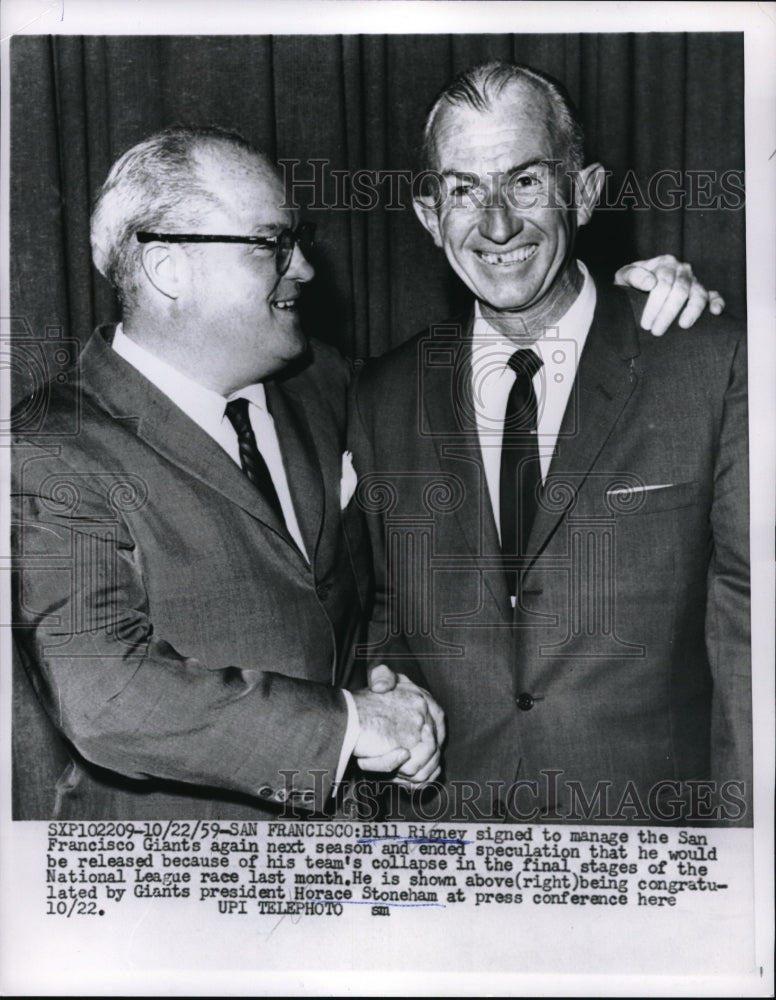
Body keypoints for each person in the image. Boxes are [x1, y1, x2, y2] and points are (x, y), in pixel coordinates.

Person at [351, 61, 750, 824]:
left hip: (648, 854)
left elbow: (749, 646)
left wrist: (744, 878)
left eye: (526, 182)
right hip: (451, 862)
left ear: (586, 191)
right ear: (430, 214)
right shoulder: (380, 396)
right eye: (464, 189)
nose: (497, 225)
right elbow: (382, 615)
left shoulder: (708, 362)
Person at [11, 126, 445, 820]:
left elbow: (462, 403)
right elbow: (107, 696)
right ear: (168, 268)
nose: (302, 267)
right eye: (272, 243)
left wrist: (631, 312)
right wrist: (351, 727)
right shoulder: (50, 447)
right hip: (177, 893)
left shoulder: (321, 381)